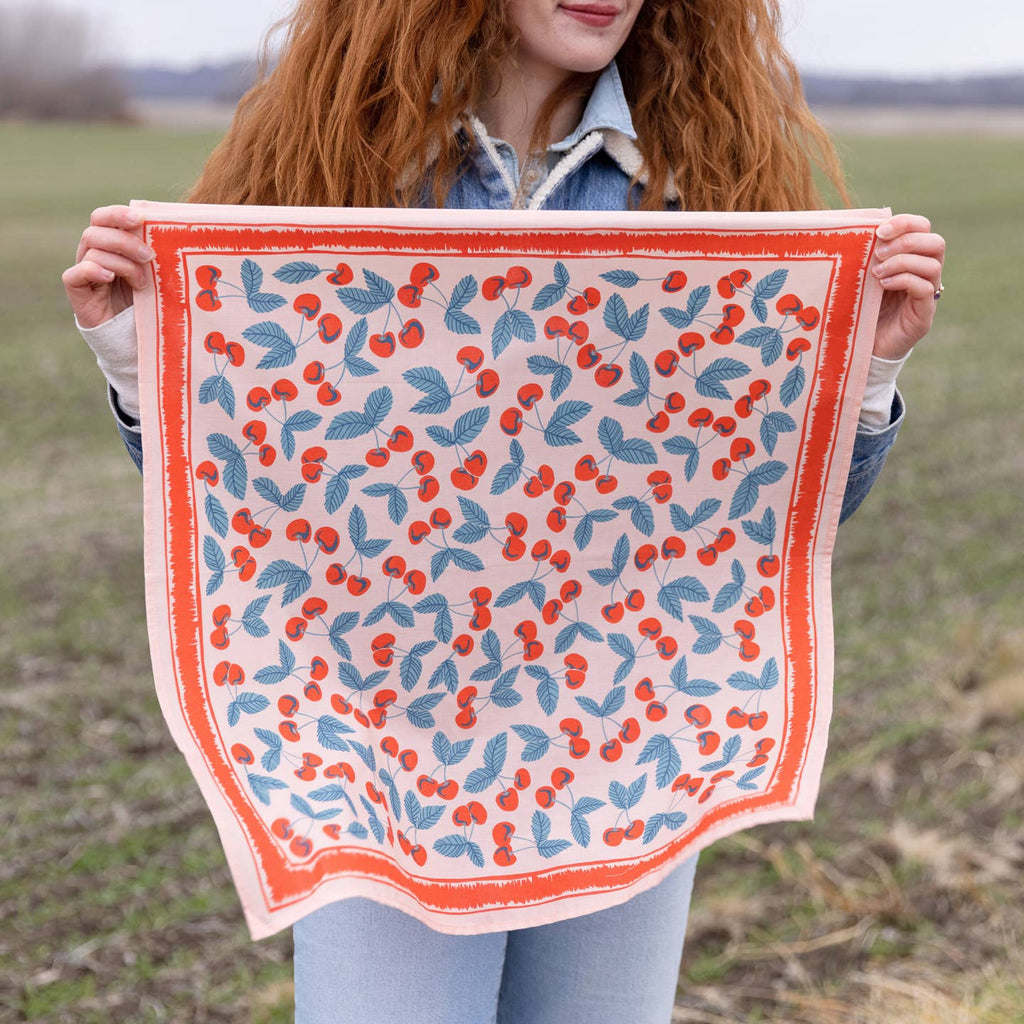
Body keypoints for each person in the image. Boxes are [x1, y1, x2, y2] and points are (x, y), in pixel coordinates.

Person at [63, 2, 946, 1021]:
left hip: (625, 742)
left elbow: (761, 527)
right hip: (385, 745)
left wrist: (865, 369)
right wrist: (140, 358)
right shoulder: (335, 166)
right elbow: (251, 495)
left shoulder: (705, 188)